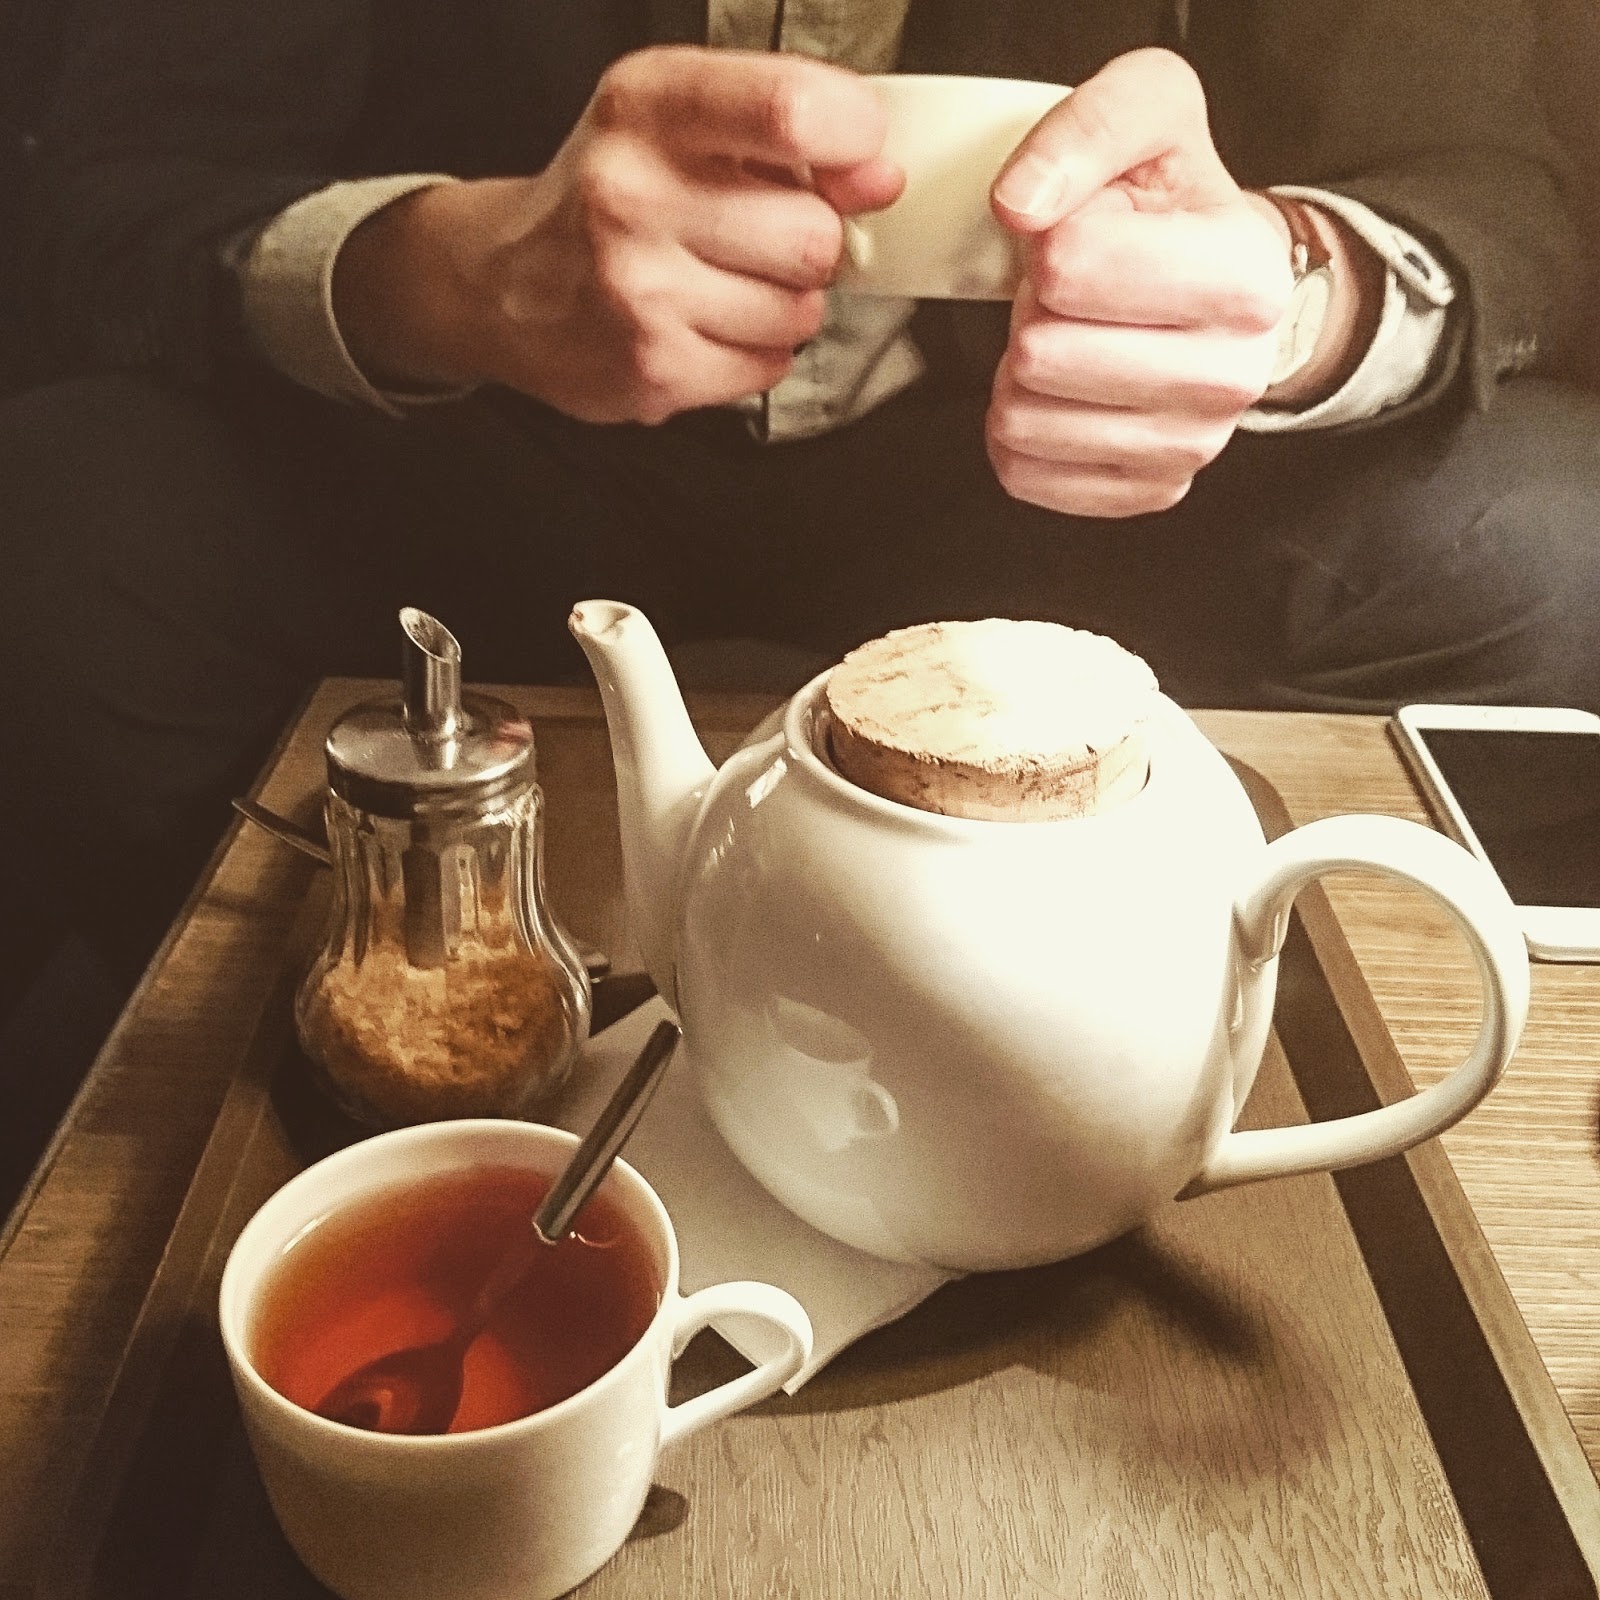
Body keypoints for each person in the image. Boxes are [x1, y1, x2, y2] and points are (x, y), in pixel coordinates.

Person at [0, 0, 1596, 977]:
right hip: (478, 444)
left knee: (1549, 557)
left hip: (1060, 490)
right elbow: (110, 201)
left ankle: (1209, 1004)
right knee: (56, 536)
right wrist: (458, 270)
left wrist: (1286, 296)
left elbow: (1489, 181)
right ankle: (362, 993)